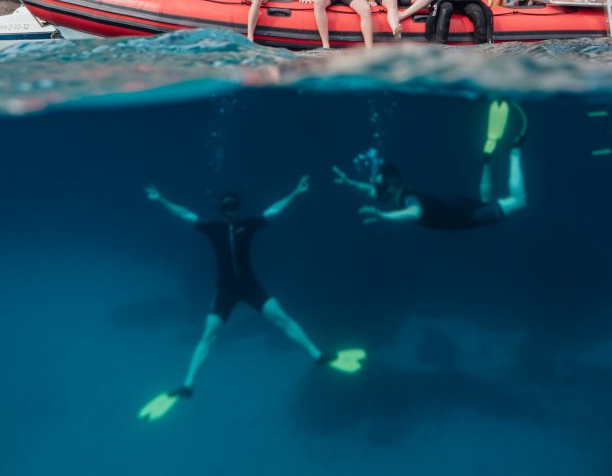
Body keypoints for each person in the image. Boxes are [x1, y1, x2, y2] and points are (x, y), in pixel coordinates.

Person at [139, 178, 365, 422]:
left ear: (237, 206)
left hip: (249, 286)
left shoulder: (248, 224)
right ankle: (187, 385)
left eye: (232, 205)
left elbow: (273, 210)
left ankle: (318, 355)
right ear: (220, 208)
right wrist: (161, 200)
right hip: (226, 289)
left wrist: (294, 192)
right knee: (209, 336)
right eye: (226, 206)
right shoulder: (212, 227)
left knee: (282, 318)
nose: (229, 210)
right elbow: (185, 214)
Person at [334, 100, 527, 231]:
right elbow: (369, 191)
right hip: (455, 207)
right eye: (378, 186)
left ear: (393, 183)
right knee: (486, 199)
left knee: (519, 201)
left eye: (381, 186)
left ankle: (514, 151)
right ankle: (487, 159)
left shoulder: (410, 199)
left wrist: (384, 216)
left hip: (467, 215)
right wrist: (349, 183)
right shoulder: (394, 193)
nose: (378, 190)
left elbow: (414, 212)